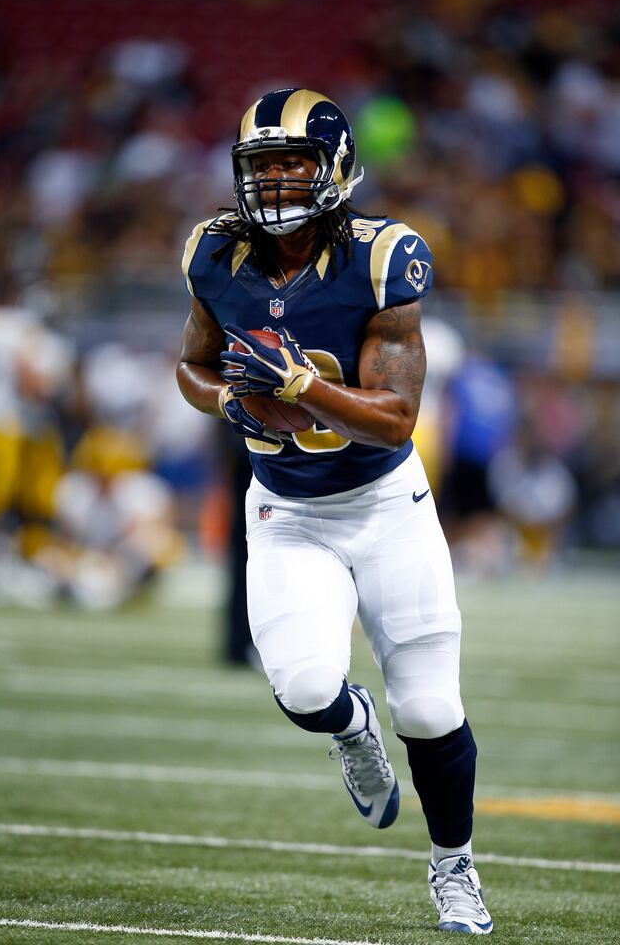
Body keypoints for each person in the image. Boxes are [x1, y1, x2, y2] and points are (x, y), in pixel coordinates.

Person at [176, 88, 493, 936]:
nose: (275, 181)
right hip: (286, 510)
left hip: (386, 506)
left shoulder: (381, 257)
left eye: (293, 163)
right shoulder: (213, 252)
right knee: (306, 685)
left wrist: (301, 386)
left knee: (428, 708)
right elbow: (191, 366)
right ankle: (352, 726)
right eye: (261, 166)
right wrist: (229, 402)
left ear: (336, 168)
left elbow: (395, 418)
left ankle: (453, 866)